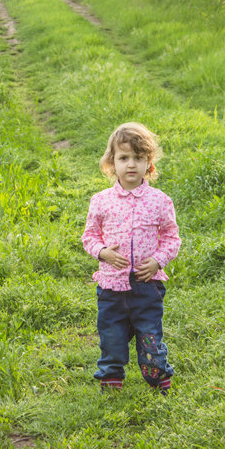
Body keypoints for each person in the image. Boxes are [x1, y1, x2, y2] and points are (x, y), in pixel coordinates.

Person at [81, 122, 181, 394]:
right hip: (111, 287)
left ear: (149, 163)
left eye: (138, 158)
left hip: (147, 285)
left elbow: (172, 238)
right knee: (111, 336)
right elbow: (89, 236)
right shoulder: (101, 201)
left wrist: (158, 260)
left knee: (150, 336)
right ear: (111, 162)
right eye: (124, 158)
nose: (131, 165)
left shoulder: (160, 201)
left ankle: (159, 378)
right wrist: (103, 253)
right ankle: (111, 380)